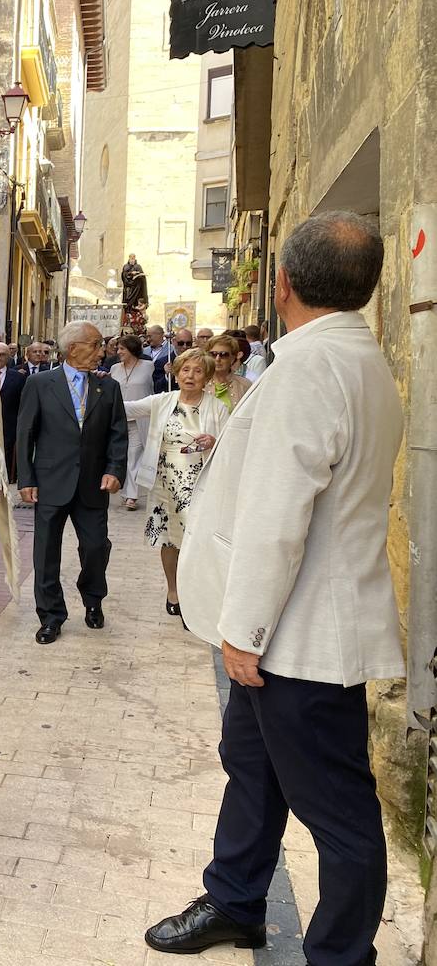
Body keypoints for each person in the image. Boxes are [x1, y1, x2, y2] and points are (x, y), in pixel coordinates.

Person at [146, 212, 403, 966]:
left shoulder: (310, 368)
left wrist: (244, 630)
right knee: (252, 765)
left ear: (281, 283)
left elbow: (275, 518)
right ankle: (235, 898)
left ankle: (340, 955)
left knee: (338, 812)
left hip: (296, 635)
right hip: (293, 626)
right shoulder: (355, 359)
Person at [15, 321, 128, 645]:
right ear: (73, 348)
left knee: (95, 547)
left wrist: (115, 470)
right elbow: (25, 433)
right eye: (95, 344)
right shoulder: (40, 383)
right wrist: (26, 478)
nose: (101, 351)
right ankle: (51, 616)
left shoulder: (108, 387)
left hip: (93, 484)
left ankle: (93, 598)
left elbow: (118, 433)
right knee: (45, 553)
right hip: (51, 482)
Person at [121, 349, 227, 618]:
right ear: (177, 374)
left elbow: (231, 443)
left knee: (196, 539)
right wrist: (98, 387)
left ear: (207, 378)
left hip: (199, 481)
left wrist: (214, 441)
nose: (190, 376)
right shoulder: (163, 401)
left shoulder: (217, 407)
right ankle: (174, 591)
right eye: (185, 370)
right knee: (169, 539)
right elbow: (126, 408)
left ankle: (196, 595)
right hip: (164, 482)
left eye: (198, 371)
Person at [109, 335, 155, 511]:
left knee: (134, 456)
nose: (118, 351)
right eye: (118, 348)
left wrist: (167, 373)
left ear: (132, 349)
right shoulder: (114, 368)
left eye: (122, 349)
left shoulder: (149, 366)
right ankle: (125, 490)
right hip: (118, 418)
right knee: (122, 455)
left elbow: (159, 384)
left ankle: (131, 496)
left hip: (139, 418)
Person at [0, 341, 26, 494]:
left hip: (8, 427)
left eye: (2, 355)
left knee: (5, 460)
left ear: (8, 357)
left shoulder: (18, 378)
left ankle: (0, 491)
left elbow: (22, 403)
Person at [205, 334, 251, 410]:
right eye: (213, 354)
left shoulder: (245, 385)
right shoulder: (199, 383)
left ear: (233, 358)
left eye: (224, 355)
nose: (217, 359)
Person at [146, 325, 172, 393]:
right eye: (147, 337)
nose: (148, 339)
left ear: (160, 335)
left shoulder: (171, 350)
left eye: (150, 336)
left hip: (163, 390)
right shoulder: (144, 351)